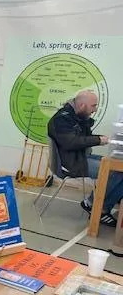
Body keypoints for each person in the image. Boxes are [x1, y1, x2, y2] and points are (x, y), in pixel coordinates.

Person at [48, 90, 123, 226]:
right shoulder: (62, 119)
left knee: (119, 168)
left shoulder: (77, 116)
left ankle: (101, 203)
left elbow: (83, 138)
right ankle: (97, 206)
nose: (94, 110)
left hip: (79, 158)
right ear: (82, 106)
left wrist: (103, 138)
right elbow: (71, 142)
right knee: (114, 170)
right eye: (93, 106)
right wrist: (99, 140)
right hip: (70, 163)